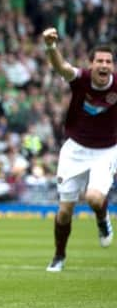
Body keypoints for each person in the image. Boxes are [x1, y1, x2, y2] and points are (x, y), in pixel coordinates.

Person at [42, 27, 115, 272]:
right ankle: (59, 255)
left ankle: (103, 218)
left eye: (108, 61)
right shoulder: (81, 79)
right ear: (92, 64)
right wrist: (51, 47)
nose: (104, 65)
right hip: (75, 150)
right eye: (99, 61)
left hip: (106, 150)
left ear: (112, 66)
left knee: (94, 198)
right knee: (64, 212)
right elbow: (61, 67)